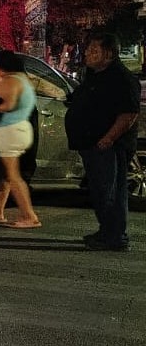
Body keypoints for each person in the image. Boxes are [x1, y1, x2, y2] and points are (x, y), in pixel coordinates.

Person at [65, 33, 141, 251]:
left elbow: (129, 114)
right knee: (100, 191)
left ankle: (115, 236)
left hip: (108, 146)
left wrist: (108, 138)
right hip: (92, 143)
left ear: (108, 54)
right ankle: (107, 231)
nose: (87, 53)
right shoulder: (94, 75)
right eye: (88, 49)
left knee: (110, 193)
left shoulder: (120, 78)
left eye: (93, 50)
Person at [0, 50, 40, 228]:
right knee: (4, 173)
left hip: (9, 130)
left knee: (13, 176)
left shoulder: (11, 80)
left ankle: (29, 216)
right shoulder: (23, 79)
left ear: (0, 67)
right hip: (20, 128)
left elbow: (8, 105)